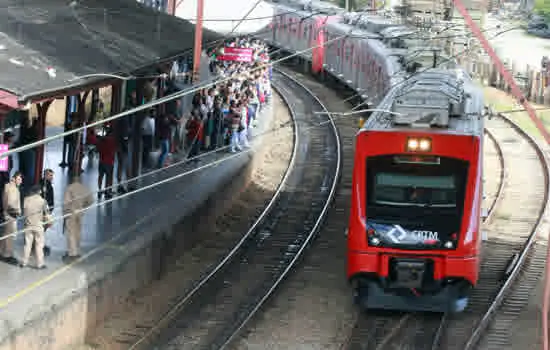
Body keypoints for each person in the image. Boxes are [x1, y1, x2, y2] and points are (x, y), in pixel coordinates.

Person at [63, 175, 93, 263]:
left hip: (71, 212)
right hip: (80, 212)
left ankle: (72, 253)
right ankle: (77, 250)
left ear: (72, 180)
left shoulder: (70, 188)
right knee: (78, 232)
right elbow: (91, 200)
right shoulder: (85, 188)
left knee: (71, 232)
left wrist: (65, 212)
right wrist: (83, 207)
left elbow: (66, 202)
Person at [20, 184, 50, 269]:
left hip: (28, 225)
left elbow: (24, 213)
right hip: (38, 226)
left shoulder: (26, 200)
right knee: (39, 245)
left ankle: (24, 262)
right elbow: (47, 214)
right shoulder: (43, 201)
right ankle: (40, 264)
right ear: (39, 191)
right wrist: (49, 222)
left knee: (27, 245)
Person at [1, 172, 22, 265]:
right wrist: (16, 213)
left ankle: (1, 251)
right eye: (19, 179)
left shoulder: (7, 187)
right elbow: (10, 203)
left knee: (5, 234)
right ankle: (7, 255)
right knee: (10, 236)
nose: (20, 181)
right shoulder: (13, 189)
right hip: (11, 215)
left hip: (6, 214)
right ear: (13, 178)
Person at [96, 125, 117, 199]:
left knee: (100, 176)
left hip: (101, 161)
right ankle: (107, 191)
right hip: (109, 162)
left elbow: (98, 148)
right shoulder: (113, 140)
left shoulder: (102, 140)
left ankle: (99, 190)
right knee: (108, 176)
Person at [38, 169, 54, 256]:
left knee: (44, 227)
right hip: (44, 210)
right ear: (46, 175)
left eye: (52, 175)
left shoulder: (48, 184)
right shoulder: (43, 185)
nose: (52, 177)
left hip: (48, 210)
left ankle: (40, 243)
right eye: (50, 175)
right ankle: (39, 245)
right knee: (42, 227)